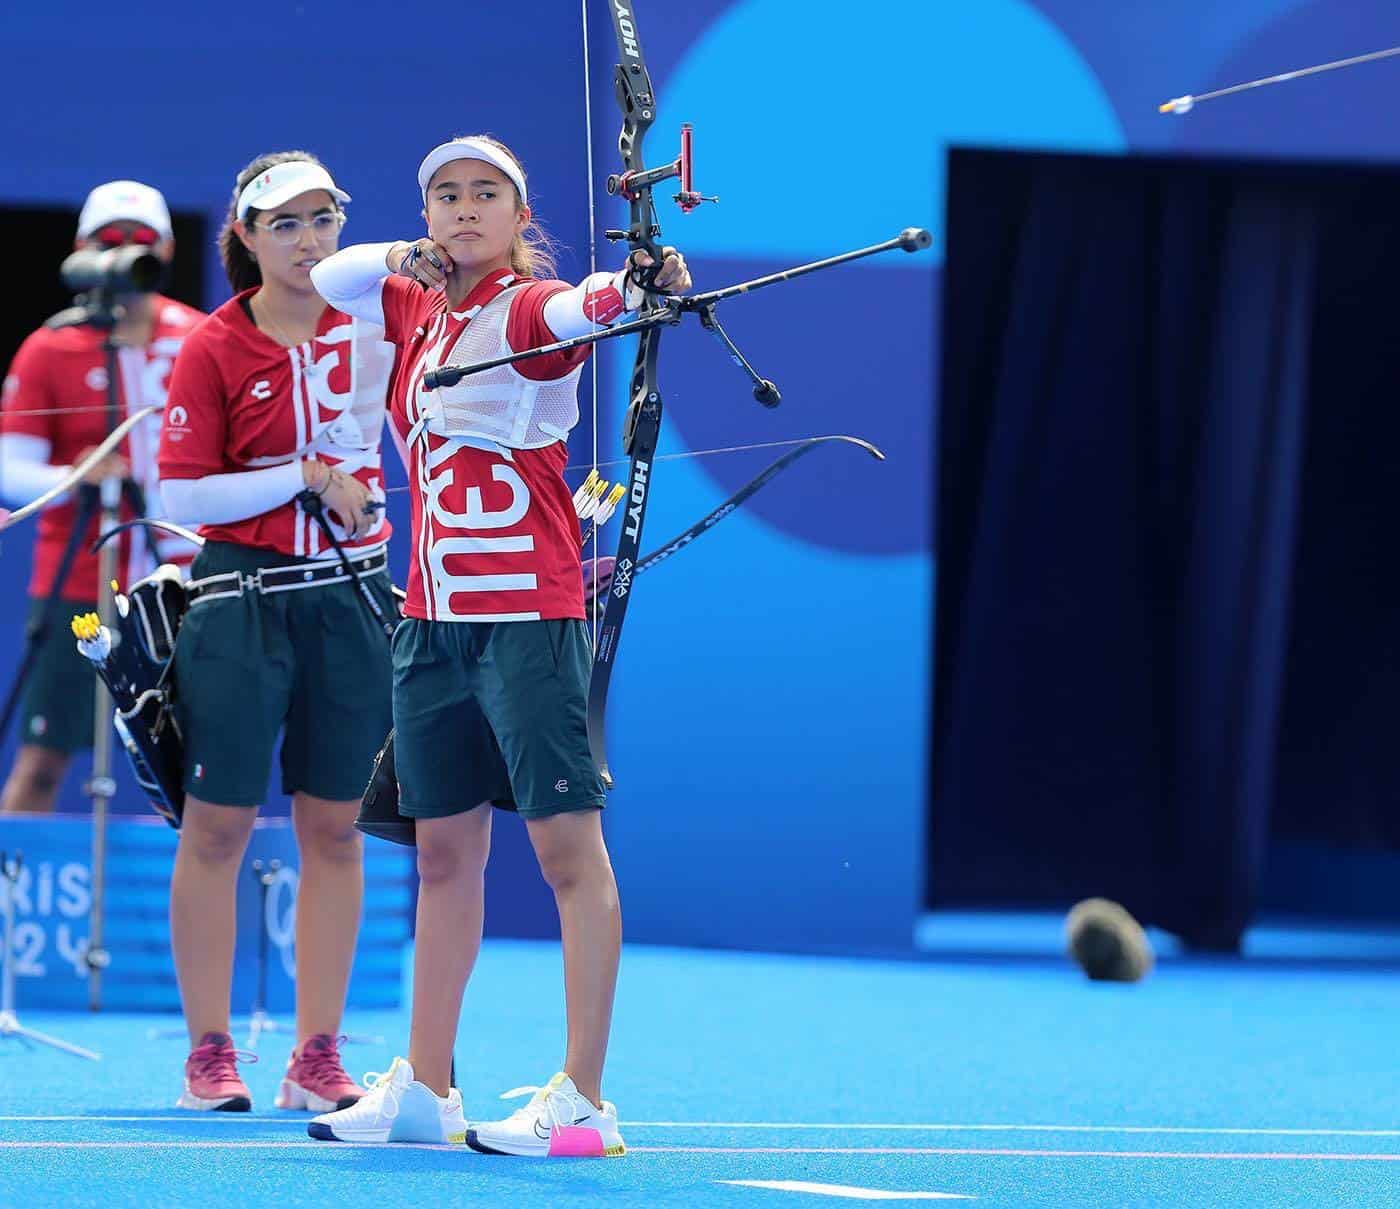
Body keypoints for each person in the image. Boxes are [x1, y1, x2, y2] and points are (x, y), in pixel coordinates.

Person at [306, 134, 689, 1156]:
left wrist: (639, 282)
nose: (463, 210)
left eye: (485, 195)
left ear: (520, 217)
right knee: (442, 854)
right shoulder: (407, 303)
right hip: (429, 620)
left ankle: (584, 1101)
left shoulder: (529, 306)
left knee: (565, 850)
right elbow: (326, 272)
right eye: (445, 195)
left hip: (527, 615)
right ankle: (427, 1088)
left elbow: (588, 307)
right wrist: (397, 255)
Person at [155, 151, 397, 1113]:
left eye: (323, 218)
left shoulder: (378, 328)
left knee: (335, 827)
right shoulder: (213, 343)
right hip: (238, 599)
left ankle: (317, 1052)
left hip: (350, 600)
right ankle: (209, 1051)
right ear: (246, 237)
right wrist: (304, 472)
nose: (308, 240)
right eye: (284, 223)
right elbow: (183, 494)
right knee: (216, 825)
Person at [0, 180, 202, 814]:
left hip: (185, 580)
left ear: (166, 248)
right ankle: (12, 907)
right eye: (109, 242)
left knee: (198, 763)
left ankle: (191, 906)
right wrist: (78, 472)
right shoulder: (52, 345)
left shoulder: (200, 338)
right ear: (81, 249)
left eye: (140, 242)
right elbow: (10, 471)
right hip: (79, 583)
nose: (125, 256)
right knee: (41, 762)